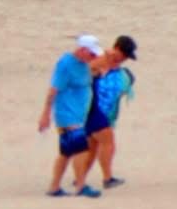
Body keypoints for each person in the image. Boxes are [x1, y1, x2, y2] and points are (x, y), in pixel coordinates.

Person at [38, 35, 104, 197]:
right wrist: (45, 114)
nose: (94, 58)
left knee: (66, 152)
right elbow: (53, 90)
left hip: (78, 115)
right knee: (81, 149)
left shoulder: (84, 65)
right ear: (82, 50)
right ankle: (81, 186)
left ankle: (54, 187)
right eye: (92, 54)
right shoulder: (66, 64)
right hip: (67, 115)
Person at [86, 35, 137, 190]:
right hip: (93, 109)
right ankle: (107, 178)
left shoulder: (112, 63)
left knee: (93, 146)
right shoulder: (102, 59)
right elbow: (85, 74)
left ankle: (80, 178)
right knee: (108, 143)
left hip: (96, 110)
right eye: (124, 55)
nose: (124, 59)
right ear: (117, 48)